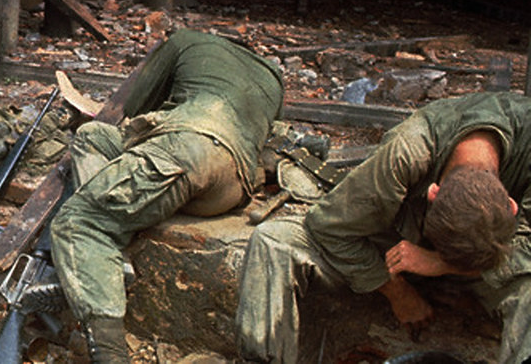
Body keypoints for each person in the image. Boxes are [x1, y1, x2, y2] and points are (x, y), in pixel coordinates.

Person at [236, 91, 531, 364]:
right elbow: (328, 228)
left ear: (511, 204)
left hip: (490, 265)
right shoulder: (406, 153)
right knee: (273, 241)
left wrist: (441, 264)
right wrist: (394, 289)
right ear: (433, 193)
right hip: (394, 247)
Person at [49, 29, 285, 364]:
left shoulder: (187, 40)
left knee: (79, 221)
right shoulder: (273, 77)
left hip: (183, 151)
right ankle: (113, 230)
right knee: (93, 136)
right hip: (232, 186)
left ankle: (109, 353)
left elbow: (132, 106)